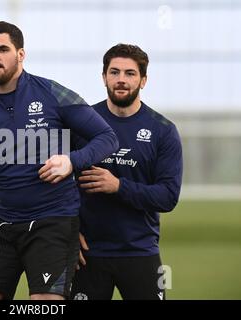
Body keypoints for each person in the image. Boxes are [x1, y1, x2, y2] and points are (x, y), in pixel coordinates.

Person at [0, 21, 118, 300]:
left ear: (21, 54)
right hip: (3, 223)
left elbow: (107, 138)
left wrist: (71, 161)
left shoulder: (52, 94)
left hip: (53, 223)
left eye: (3, 49)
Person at [70, 44, 183, 300]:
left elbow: (168, 197)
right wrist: (67, 231)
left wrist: (118, 186)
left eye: (130, 73)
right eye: (114, 72)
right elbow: (56, 181)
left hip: (141, 251)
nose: (121, 79)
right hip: (88, 255)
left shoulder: (163, 130)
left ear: (143, 80)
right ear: (104, 77)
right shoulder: (80, 124)